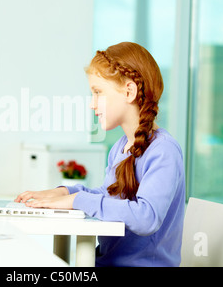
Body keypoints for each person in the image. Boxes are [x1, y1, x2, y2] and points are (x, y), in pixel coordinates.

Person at [15, 42, 186, 267]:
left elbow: (147, 217)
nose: (92, 105)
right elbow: (107, 196)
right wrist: (62, 193)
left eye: (98, 93)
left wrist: (77, 200)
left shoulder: (163, 151)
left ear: (129, 91)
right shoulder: (121, 147)